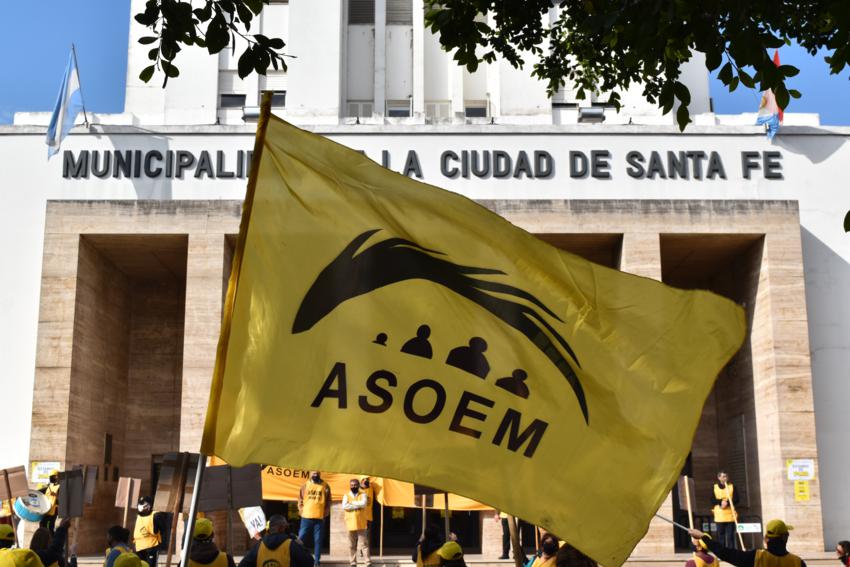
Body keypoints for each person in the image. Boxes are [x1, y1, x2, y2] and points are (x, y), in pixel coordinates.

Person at [689, 519, 806, 567]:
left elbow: (724, 553)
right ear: (785, 538)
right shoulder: (798, 563)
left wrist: (703, 537)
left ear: (766, 539)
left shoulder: (756, 558)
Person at [238, 515, 313, 567]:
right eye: (286, 527)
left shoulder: (258, 547)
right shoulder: (292, 545)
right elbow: (309, 562)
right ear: (281, 528)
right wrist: (301, 545)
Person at [297, 471, 331, 567]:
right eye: (313, 473)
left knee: (318, 540)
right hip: (306, 518)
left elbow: (328, 501)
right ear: (310, 474)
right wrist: (301, 511)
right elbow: (300, 499)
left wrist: (326, 513)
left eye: (316, 473)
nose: (315, 475)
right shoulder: (305, 485)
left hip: (319, 518)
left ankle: (317, 561)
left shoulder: (325, 485)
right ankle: (298, 558)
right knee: (301, 538)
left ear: (319, 474)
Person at [342, 479, 370, 567]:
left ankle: (367, 562)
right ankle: (353, 562)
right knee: (351, 545)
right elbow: (344, 506)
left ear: (358, 485)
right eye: (352, 485)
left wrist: (352, 503)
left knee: (364, 544)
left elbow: (364, 504)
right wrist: (358, 504)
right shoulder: (346, 495)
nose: (353, 486)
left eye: (355, 485)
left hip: (361, 523)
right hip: (350, 523)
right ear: (349, 486)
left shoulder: (363, 494)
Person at [133, 497, 167, 567]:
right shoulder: (139, 516)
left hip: (151, 546)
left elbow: (163, 530)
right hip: (139, 546)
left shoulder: (156, 515)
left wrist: (162, 544)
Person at [711, 471, 739, 549]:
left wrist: (727, 503)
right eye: (722, 477)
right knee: (721, 535)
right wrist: (720, 502)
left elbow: (736, 499)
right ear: (719, 478)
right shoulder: (715, 487)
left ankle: (731, 552)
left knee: (730, 535)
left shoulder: (732, 486)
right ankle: (722, 552)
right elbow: (712, 500)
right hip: (719, 515)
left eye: (725, 476)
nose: (724, 478)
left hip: (730, 515)